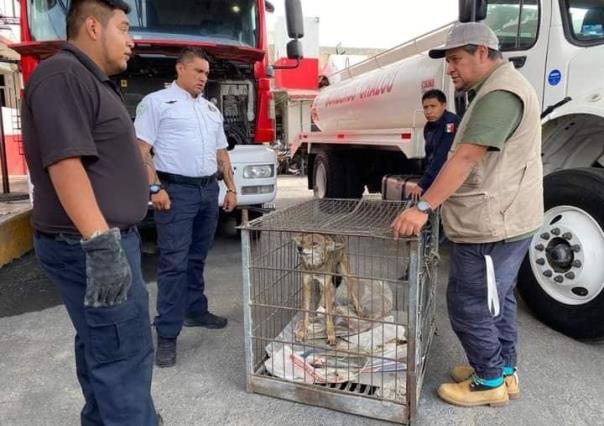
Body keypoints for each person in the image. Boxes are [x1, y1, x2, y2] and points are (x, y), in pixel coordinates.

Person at [391, 22, 543, 407]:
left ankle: (488, 379)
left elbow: (464, 159)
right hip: (510, 217)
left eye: (457, 59)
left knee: (468, 302)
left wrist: (424, 208)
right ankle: (504, 371)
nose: (451, 68)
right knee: (499, 299)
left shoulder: (499, 94)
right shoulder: (495, 89)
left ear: (482, 52)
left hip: (492, 223)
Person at [22, 0, 159, 424]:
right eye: (124, 27)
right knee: (123, 354)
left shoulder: (86, 79)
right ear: (93, 27)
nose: (132, 40)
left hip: (97, 242)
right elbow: (65, 164)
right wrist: (102, 246)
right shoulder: (64, 75)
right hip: (91, 247)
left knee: (104, 348)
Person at [135, 47, 237, 368]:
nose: (203, 78)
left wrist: (231, 187)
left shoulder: (210, 109)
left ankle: (195, 310)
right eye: (197, 72)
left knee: (197, 257)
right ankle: (167, 333)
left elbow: (221, 153)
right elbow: (141, 149)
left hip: (208, 191)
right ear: (180, 69)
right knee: (174, 263)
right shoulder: (156, 102)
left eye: (206, 73)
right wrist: (155, 188)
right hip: (175, 192)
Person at [407, 89, 460, 201]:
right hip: (436, 177)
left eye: (433, 106)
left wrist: (423, 183)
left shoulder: (451, 123)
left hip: (450, 177)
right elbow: (430, 155)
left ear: (443, 105)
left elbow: (442, 156)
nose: (429, 111)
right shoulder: (428, 126)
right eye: (425, 107)